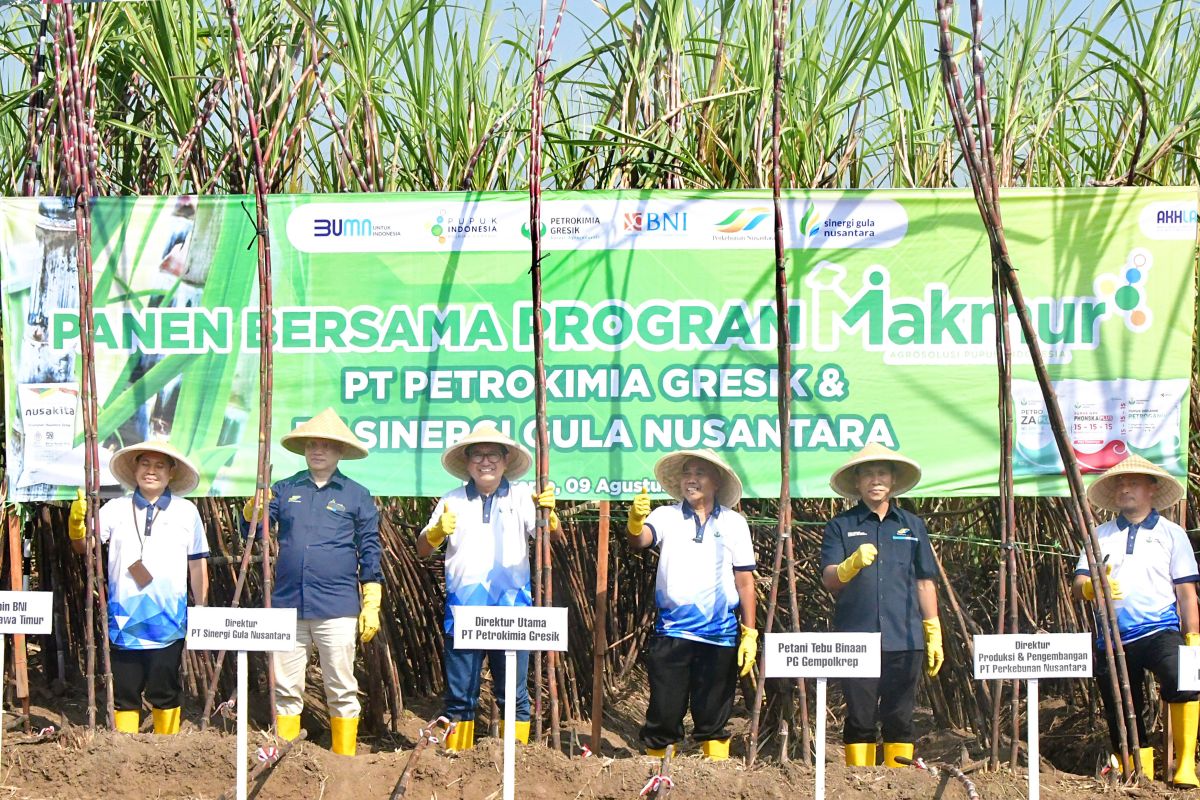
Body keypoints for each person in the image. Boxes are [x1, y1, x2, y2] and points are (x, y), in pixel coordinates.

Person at [243, 408, 381, 756]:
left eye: (326, 445)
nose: (317, 450)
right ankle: (286, 759)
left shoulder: (356, 494)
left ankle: (343, 763)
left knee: (341, 686)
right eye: (312, 445)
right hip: (288, 602)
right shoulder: (285, 488)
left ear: (339, 452)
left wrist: (372, 599)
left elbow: (369, 546)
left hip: (337, 605)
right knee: (286, 686)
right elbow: (255, 531)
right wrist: (254, 510)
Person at [416, 422, 560, 752]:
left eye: (493, 454)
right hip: (464, 613)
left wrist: (549, 516)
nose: (485, 461)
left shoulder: (525, 496)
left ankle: (518, 761)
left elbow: (553, 540)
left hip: (512, 613)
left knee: (514, 694)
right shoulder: (451, 499)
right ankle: (459, 760)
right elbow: (423, 548)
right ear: (466, 462)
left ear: (505, 459)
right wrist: (437, 531)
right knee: (460, 697)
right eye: (477, 454)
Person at [624, 449, 757, 761]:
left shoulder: (735, 523)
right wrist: (634, 521)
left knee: (714, 714)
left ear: (716, 482)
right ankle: (654, 773)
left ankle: (716, 776)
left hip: (720, 635)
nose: (691, 479)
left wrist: (750, 632)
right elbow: (640, 540)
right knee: (663, 713)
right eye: (687, 472)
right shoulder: (666, 516)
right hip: (673, 633)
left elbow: (745, 580)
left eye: (700, 473)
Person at [68, 441, 209, 735]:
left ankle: (167, 749)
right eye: (145, 464)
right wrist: (77, 527)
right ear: (135, 468)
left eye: (159, 466)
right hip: (124, 621)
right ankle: (126, 758)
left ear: (171, 473)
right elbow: (86, 548)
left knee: (166, 688)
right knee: (125, 692)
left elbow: (197, 565)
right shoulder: (115, 509)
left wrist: (202, 607)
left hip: (169, 622)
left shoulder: (187, 512)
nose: (151, 471)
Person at [1074, 454, 1198, 786]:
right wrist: (1090, 589)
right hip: (1114, 635)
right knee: (1120, 703)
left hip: (1161, 629)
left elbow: (1186, 591)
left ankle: (1185, 765)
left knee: (1183, 679)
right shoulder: (1098, 535)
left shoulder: (1173, 534)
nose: (1125, 488)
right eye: (1120, 483)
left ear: (1151, 489)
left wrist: (1194, 636)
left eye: (1133, 483)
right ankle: (1137, 768)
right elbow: (1079, 581)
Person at [819, 443, 943, 768]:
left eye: (882, 473)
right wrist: (850, 565)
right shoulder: (840, 526)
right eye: (868, 473)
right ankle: (857, 784)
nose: (876, 479)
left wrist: (933, 629)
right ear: (857, 482)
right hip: (856, 637)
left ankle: (897, 784)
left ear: (892, 480)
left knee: (900, 717)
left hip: (906, 637)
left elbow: (925, 580)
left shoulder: (913, 526)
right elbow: (830, 579)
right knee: (859, 718)